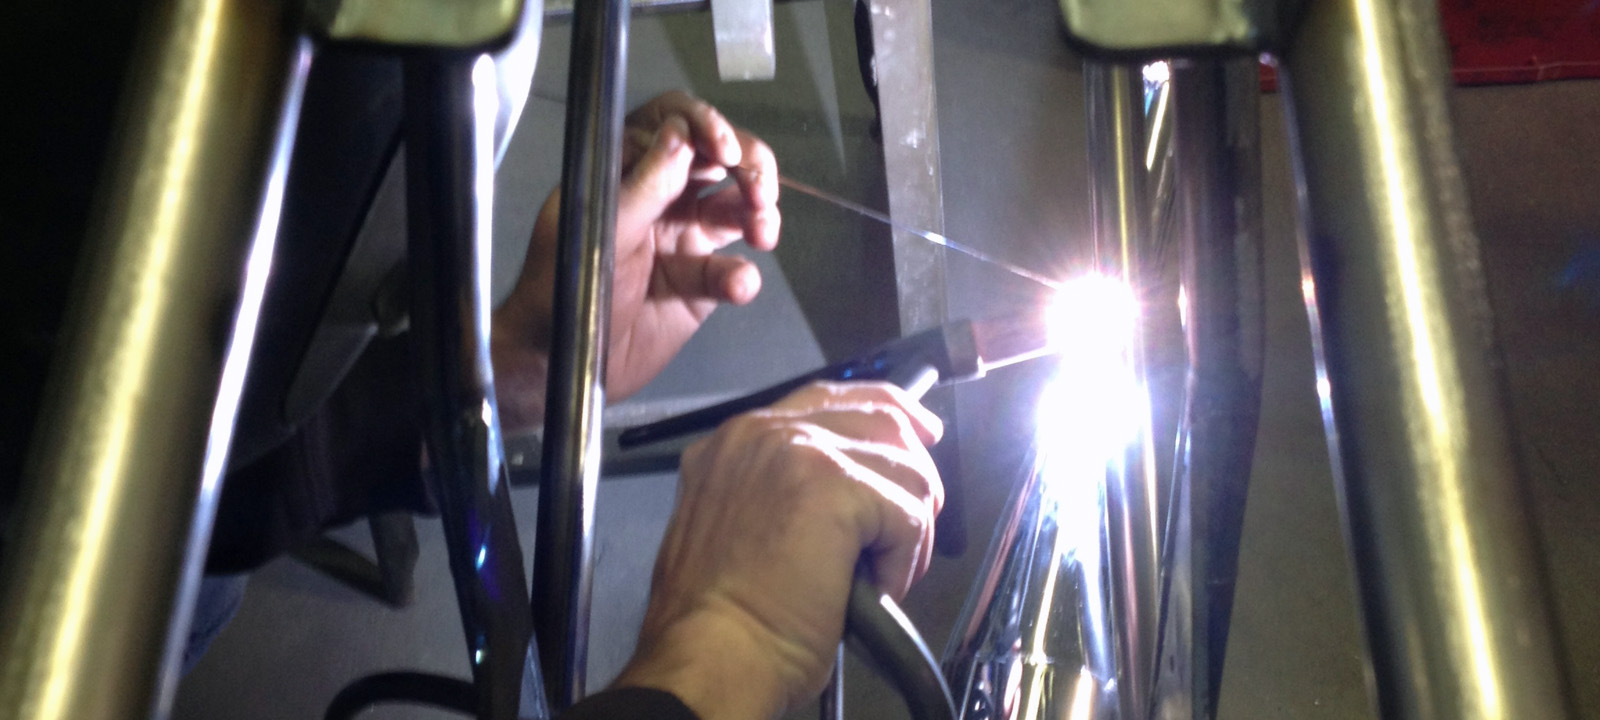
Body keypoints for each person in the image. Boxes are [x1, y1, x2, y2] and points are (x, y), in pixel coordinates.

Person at [191, 88, 945, 720]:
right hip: (140, 605)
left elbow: (186, 474)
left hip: (186, 540)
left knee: (203, 590)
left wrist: (521, 366)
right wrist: (725, 646)